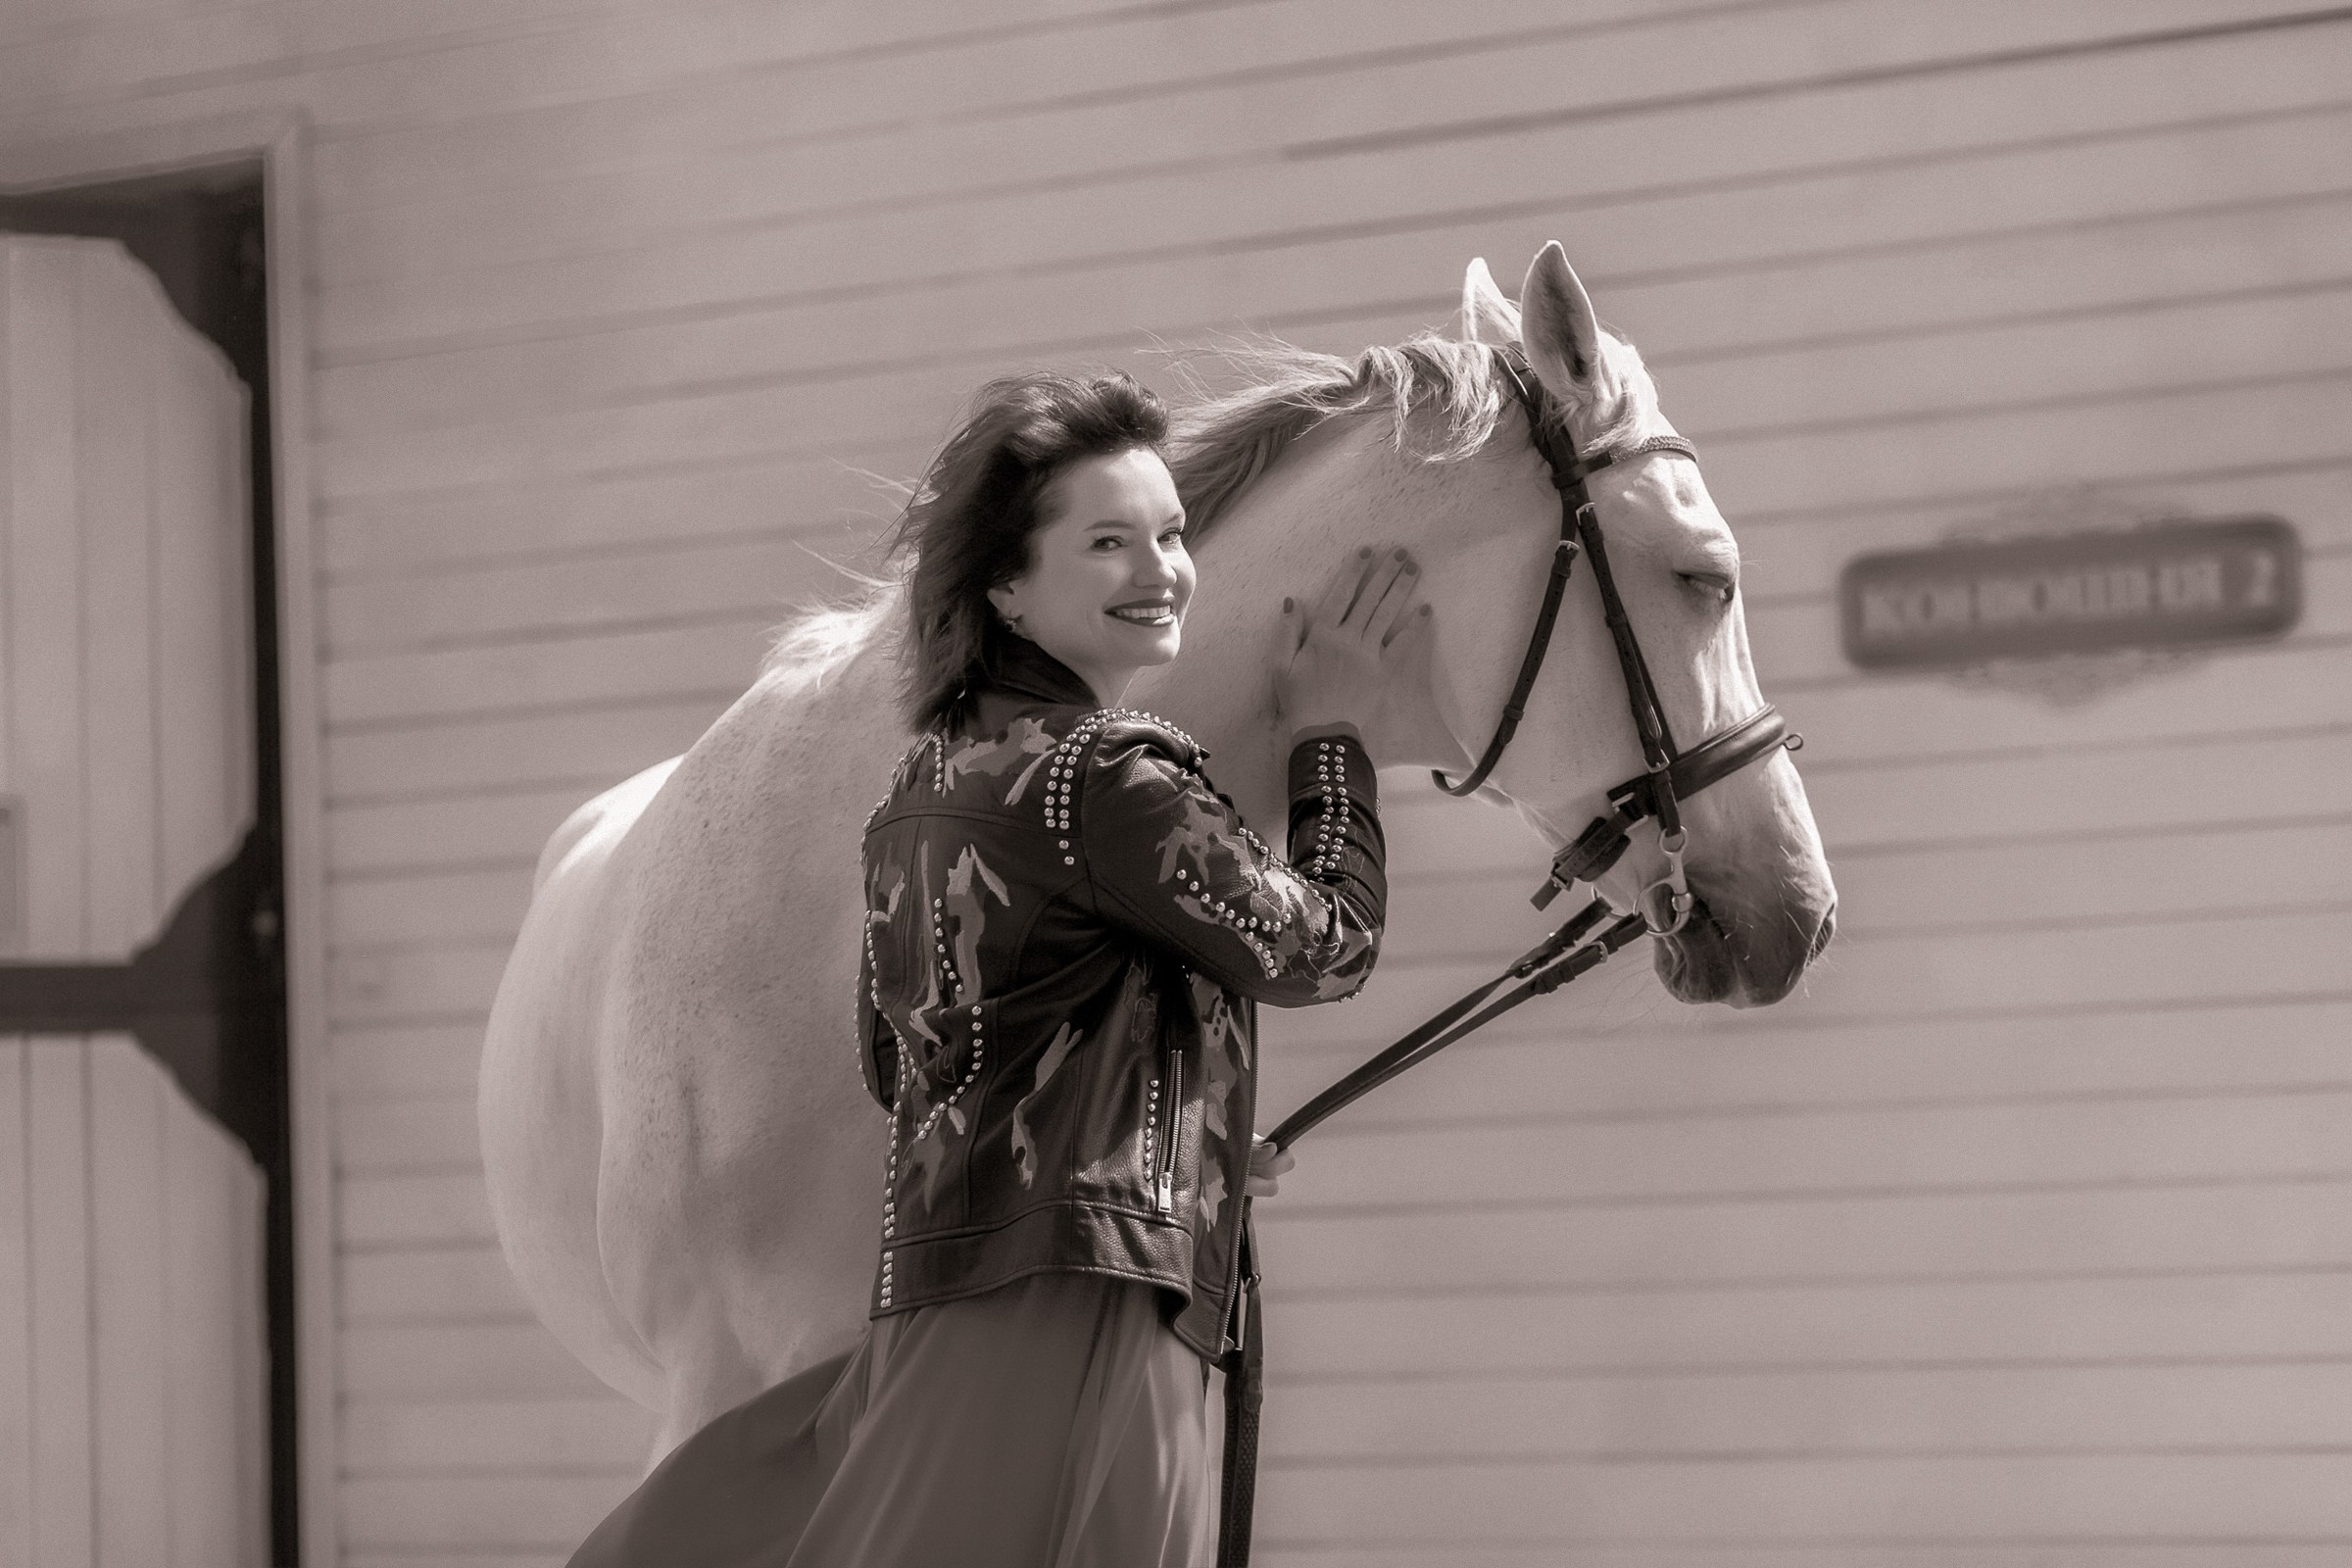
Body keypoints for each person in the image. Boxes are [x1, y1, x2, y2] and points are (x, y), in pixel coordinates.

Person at [569, 369, 1436, 1568]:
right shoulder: (1109, 772)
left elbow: (918, 1059)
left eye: (1172, 533)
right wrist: (1335, 732)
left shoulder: (925, 789)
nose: (1163, 569)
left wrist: (1182, 1137)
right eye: (1109, 542)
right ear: (1010, 590)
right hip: (1085, 1329)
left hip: (941, 1327)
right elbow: (1319, 946)